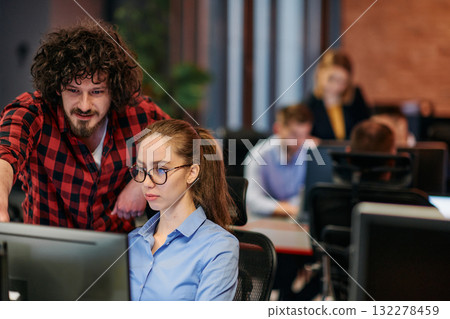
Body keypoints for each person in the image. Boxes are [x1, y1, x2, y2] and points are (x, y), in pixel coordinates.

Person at [0, 21, 169, 230]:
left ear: (113, 90)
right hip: (44, 252)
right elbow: (5, 153)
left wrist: (142, 182)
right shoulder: (34, 113)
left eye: (96, 92)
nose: (84, 105)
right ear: (57, 88)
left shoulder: (139, 114)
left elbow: (197, 145)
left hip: (118, 253)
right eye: (73, 90)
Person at [128, 119, 239, 301]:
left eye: (161, 170)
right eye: (141, 170)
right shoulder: (131, 242)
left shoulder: (218, 247)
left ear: (192, 173)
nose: (147, 183)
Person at [244, 104, 314, 218]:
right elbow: (252, 200)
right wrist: (289, 208)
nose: (299, 141)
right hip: (265, 220)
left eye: (304, 135)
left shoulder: (309, 151)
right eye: (294, 134)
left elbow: (307, 194)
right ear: (278, 129)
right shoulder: (258, 155)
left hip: (296, 220)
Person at [304, 50, 370, 140]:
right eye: (331, 79)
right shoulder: (310, 104)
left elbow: (365, 129)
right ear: (320, 73)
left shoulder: (356, 97)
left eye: (343, 81)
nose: (336, 86)